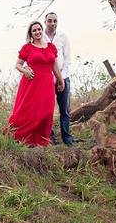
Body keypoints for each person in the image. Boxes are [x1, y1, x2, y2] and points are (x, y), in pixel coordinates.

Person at [6, 21, 65, 147]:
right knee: (28, 111)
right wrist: (25, 70)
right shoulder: (27, 48)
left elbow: (54, 66)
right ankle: (21, 137)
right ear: (31, 34)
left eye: (39, 29)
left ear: (42, 30)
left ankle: (41, 140)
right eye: (34, 31)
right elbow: (18, 65)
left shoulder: (50, 47)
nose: (37, 32)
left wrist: (61, 80)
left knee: (47, 112)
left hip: (47, 83)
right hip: (31, 83)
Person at [45, 12, 73, 146]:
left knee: (65, 110)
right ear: (45, 22)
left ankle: (67, 138)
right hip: (46, 80)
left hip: (64, 77)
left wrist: (60, 77)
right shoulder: (40, 36)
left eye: (55, 21)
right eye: (49, 21)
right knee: (47, 110)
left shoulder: (63, 37)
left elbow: (67, 59)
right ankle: (49, 137)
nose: (52, 23)